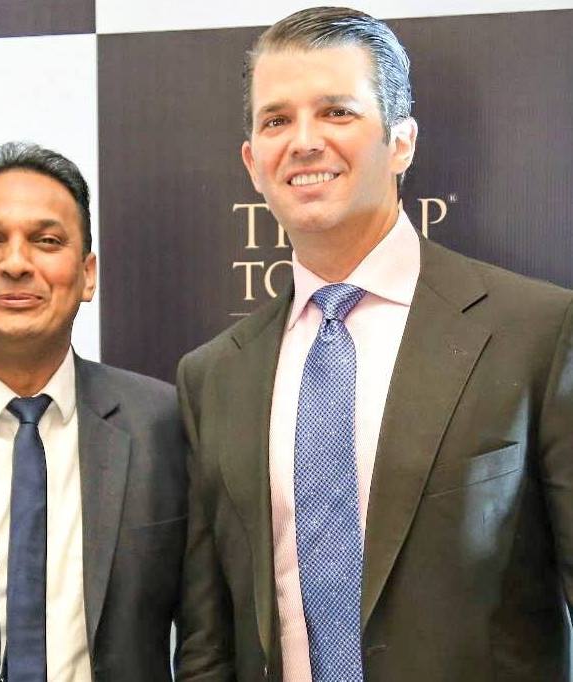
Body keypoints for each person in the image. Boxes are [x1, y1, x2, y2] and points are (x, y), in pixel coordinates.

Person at [175, 7, 573, 681]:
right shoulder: (213, 376)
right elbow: (209, 643)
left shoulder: (536, 331)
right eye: (276, 120)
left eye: (337, 112)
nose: (304, 142)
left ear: (402, 142)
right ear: (252, 163)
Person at [0, 142, 187, 681]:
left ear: (88, 274)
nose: (15, 264)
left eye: (46, 241)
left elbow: (210, 636)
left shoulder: (165, 424)